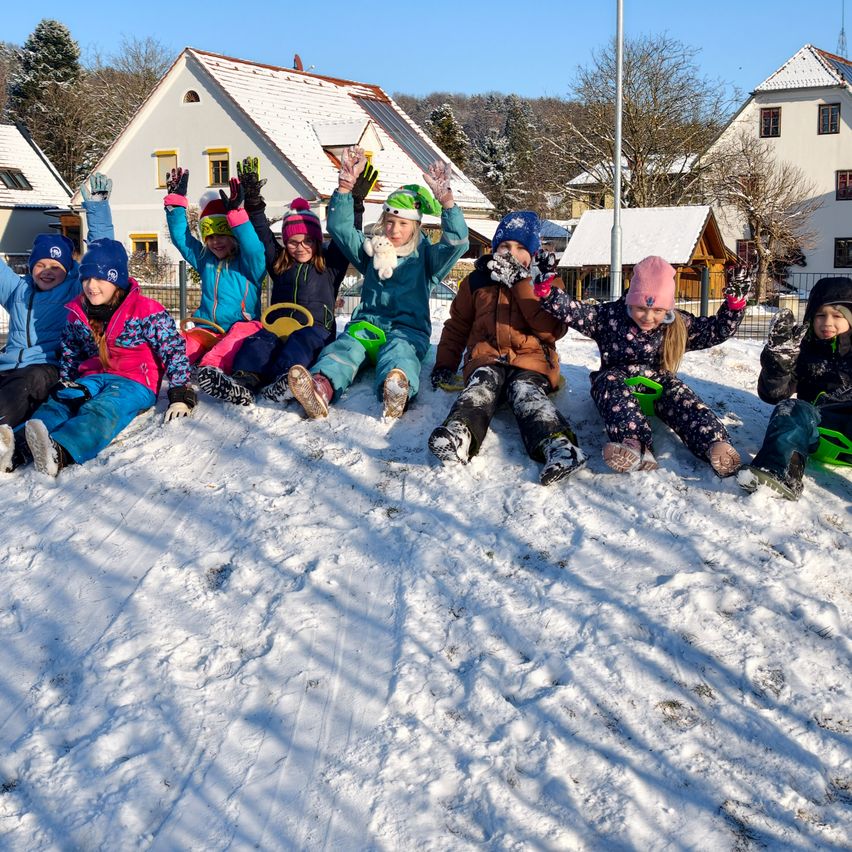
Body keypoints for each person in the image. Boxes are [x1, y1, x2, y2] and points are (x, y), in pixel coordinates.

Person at [287, 146, 469, 419]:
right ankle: (320, 387)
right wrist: (345, 188)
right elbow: (341, 229)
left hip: (407, 332)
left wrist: (447, 203)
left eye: (403, 224)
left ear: (416, 226)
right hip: (367, 325)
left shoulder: (427, 259)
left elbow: (457, 242)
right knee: (344, 349)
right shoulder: (371, 250)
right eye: (390, 222)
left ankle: (395, 391)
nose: (394, 230)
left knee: (400, 356)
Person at [532, 255, 747, 476]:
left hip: (659, 385)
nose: (648, 317)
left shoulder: (678, 325)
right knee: (608, 384)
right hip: (617, 382)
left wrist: (734, 306)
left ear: (668, 309)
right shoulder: (609, 318)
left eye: (658, 311)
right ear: (630, 300)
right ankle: (635, 446)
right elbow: (574, 311)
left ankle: (715, 444)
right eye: (640, 308)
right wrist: (547, 292)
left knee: (685, 401)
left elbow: (716, 330)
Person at [196, 156, 376, 405]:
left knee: (300, 344)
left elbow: (347, 235)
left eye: (307, 241)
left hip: (315, 329)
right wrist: (254, 203)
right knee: (259, 341)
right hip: (278, 324)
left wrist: (355, 205)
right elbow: (262, 234)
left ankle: (283, 381)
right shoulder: (280, 263)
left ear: (316, 241)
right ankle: (244, 381)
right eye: (293, 242)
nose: (300, 247)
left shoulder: (330, 265)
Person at [428, 211, 586, 485]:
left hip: (531, 362)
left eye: (521, 248)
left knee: (525, 393)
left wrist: (521, 285)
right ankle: (459, 434)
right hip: (487, 358)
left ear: (533, 253)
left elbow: (551, 330)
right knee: (480, 387)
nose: (511, 253)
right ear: (494, 249)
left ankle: (559, 447)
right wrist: (444, 364)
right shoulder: (477, 282)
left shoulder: (544, 282)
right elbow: (457, 326)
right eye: (505, 246)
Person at [14, 238, 195, 477]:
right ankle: (15, 446)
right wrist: (67, 380)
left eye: (100, 279)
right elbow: (70, 351)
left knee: (103, 408)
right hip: (94, 377)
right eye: (86, 279)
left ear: (115, 279)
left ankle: (61, 450)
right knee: (61, 401)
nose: (91, 286)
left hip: (135, 382)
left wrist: (180, 393)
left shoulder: (145, 310)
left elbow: (172, 349)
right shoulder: (78, 312)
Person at [0, 173, 114, 472]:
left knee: (26, 384)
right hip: (7, 363)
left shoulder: (75, 288)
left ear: (69, 269)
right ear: (31, 266)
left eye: (56, 266)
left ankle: (3, 436)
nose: (47, 271)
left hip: (49, 366)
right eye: (40, 265)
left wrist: (98, 209)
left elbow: (103, 251)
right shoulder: (17, 289)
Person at [736, 277, 852, 498]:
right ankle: (778, 471)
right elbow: (774, 395)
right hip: (817, 427)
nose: (827, 322)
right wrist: (778, 364)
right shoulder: (802, 351)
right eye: (820, 315)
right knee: (790, 408)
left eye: (838, 315)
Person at [162, 167, 266, 369]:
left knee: (235, 338)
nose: (215, 242)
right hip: (208, 327)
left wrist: (237, 215)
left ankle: (210, 369)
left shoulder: (249, 264)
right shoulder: (205, 260)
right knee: (185, 345)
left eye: (222, 236)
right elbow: (182, 240)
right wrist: (175, 204)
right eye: (210, 237)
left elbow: (253, 247)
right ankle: (176, 368)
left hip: (241, 328)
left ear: (233, 237)